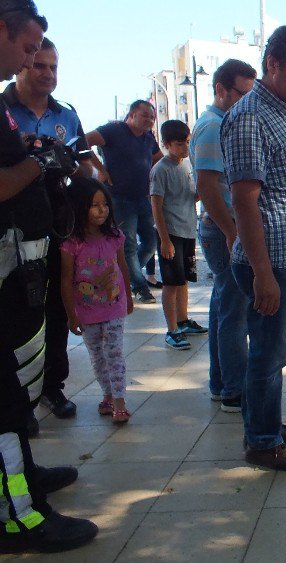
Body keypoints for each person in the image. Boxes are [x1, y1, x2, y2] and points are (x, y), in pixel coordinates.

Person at [0, 0, 99, 552]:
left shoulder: (60, 113)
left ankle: (22, 476)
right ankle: (19, 517)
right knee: (5, 404)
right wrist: (40, 162)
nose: (34, 56)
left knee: (16, 391)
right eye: (28, 46)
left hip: (21, 270)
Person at [221, 25, 286, 470]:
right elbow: (245, 202)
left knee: (274, 352)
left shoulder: (282, 110)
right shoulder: (249, 116)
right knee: (268, 352)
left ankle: (266, 420)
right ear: (273, 65)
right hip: (273, 263)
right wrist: (263, 274)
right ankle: (262, 442)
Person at [5, 36, 92, 422]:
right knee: (17, 309)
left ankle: (52, 388)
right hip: (10, 224)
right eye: (39, 64)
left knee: (57, 303)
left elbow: (86, 166)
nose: (48, 73)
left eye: (54, 66)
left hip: (57, 218)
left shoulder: (67, 114)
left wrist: (69, 165)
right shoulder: (4, 111)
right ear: (22, 62)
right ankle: (14, 402)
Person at [192, 58, 256, 412]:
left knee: (223, 307)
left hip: (223, 227)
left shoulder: (222, 121)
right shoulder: (213, 127)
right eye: (242, 94)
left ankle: (222, 383)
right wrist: (232, 232)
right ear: (221, 90)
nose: (248, 102)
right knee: (234, 311)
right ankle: (234, 390)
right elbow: (207, 187)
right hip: (222, 229)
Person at [61, 179, 133, 422]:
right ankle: (108, 395)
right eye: (94, 205)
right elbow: (66, 281)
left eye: (104, 204)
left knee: (114, 353)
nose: (102, 210)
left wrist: (129, 297)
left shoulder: (115, 237)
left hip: (114, 307)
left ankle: (120, 401)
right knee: (97, 356)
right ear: (80, 208)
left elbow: (123, 267)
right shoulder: (72, 245)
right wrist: (71, 314)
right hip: (87, 312)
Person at [86, 99, 163, 305]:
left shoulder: (148, 138)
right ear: (131, 114)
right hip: (119, 199)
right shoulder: (113, 130)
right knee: (128, 245)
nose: (149, 120)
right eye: (145, 115)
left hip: (143, 198)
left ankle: (125, 274)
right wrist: (100, 170)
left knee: (151, 241)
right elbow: (83, 141)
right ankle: (139, 286)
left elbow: (159, 159)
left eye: (152, 117)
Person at [149, 120, 205, 351]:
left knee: (183, 281)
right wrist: (164, 240)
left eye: (187, 143)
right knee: (171, 283)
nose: (184, 148)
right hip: (170, 233)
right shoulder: (160, 169)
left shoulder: (187, 165)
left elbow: (190, 196)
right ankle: (171, 330)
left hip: (188, 230)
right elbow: (156, 205)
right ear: (166, 144)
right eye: (179, 144)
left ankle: (183, 321)